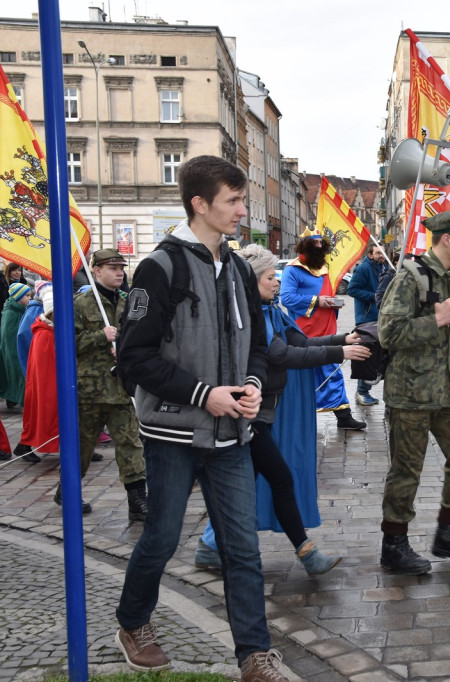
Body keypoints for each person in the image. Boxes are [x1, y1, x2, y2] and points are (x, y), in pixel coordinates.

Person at [114, 155, 300, 681]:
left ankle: (253, 656)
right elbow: (134, 358)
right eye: (233, 201)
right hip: (171, 432)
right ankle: (133, 622)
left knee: (242, 548)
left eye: (242, 200)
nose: (243, 210)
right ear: (200, 204)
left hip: (231, 435)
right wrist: (205, 393)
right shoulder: (160, 267)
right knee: (162, 537)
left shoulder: (239, 267)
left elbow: (259, 346)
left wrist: (253, 387)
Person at [195, 244, 371, 576]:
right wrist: (341, 355)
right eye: (268, 277)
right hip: (248, 413)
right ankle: (306, 554)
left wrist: (342, 340)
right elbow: (283, 356)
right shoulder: (251, 318)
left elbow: (301, 344)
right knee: (274, 478)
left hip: (263, 410)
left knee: (255, 481)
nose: (276, 282)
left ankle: (210, 545)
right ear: (250, 281)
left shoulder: (272, 310)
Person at [377, 210, 450, 575]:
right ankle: (394, 545)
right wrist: (434, 320)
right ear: (446, 239)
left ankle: (449, 534)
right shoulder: (410, 278)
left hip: (447, 388)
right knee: (406, 470)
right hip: (409, 392)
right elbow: (388, 334)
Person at [66, 249, 147, 520]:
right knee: (82, 447)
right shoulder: (80, 304)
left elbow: (142, 339)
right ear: (96, 271)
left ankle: (137, 501)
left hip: (122, 387)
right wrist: (101, 337)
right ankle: (67, 492)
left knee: (130, 444)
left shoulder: (129, 302)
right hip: (91, 389)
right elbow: (69, 344)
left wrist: (123, 344)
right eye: (112, 268)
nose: (119, 272)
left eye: (121, 268)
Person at [279, 230, 365, 430]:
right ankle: (299, 418)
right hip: (305, 332)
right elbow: (287, 298)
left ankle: (344, 417)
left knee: (332, 370)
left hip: (328, 328)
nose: (319, 246)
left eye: (321, 243)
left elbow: (328, 293)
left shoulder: (327, 268)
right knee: (304, 374)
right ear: (305, 247)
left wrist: (333, 302)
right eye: (315, 243)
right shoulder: (293, 269)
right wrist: (318, 301)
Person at [17, 287, 61, 469]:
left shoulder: (50, 330)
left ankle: (80, 448)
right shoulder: (44, 333)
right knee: (43, 414)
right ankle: (24, 445)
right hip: (46, 385)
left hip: (53, 382)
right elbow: (45, 369)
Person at [346, 243, 388, 406]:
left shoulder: (384, 268)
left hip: (381, 318)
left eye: (383, 252)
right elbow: (352, 289)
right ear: (370, 254)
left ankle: (367, 390)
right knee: (367, 356)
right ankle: (362, 392)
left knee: (380, 356)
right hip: (367, 319)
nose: (381, 255)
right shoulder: (363, 269)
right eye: (378, 253)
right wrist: (375, 297)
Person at [0, 282, 32, 409]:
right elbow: (8, 335)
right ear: (18, 297)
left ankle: (17, 398)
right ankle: (19, 399)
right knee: (16, 373)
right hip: (13, 350)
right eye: (27, 296)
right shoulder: (10, 313)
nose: (30, 298)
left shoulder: (20, 309)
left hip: (18, 349)